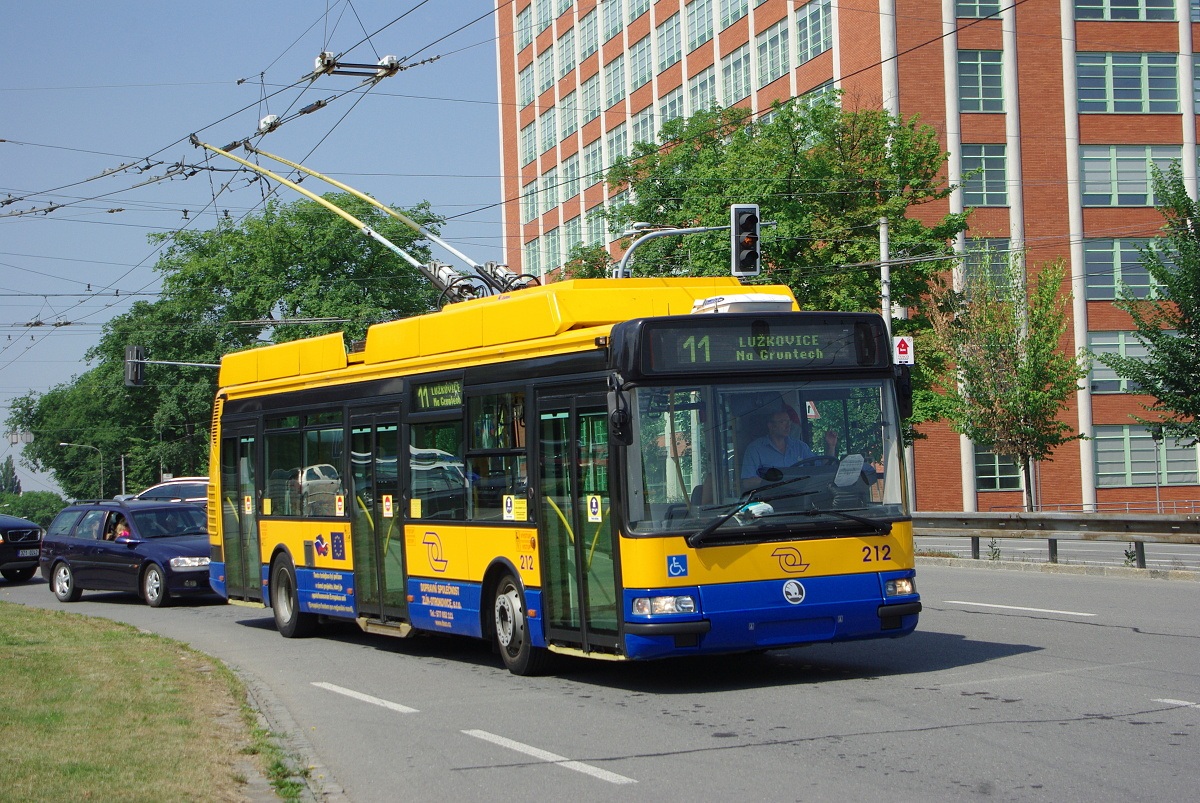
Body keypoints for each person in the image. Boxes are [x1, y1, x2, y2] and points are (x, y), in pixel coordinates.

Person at [741, 409, 837, 490]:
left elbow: (822, 466)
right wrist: (777, 481)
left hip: (801, 498)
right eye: (782, 422)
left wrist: (831, 446)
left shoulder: (800, 446)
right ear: (771, 426)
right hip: (770, 500)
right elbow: (747, 482)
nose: (788, 426)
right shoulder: (755, 449)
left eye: (789, 422)